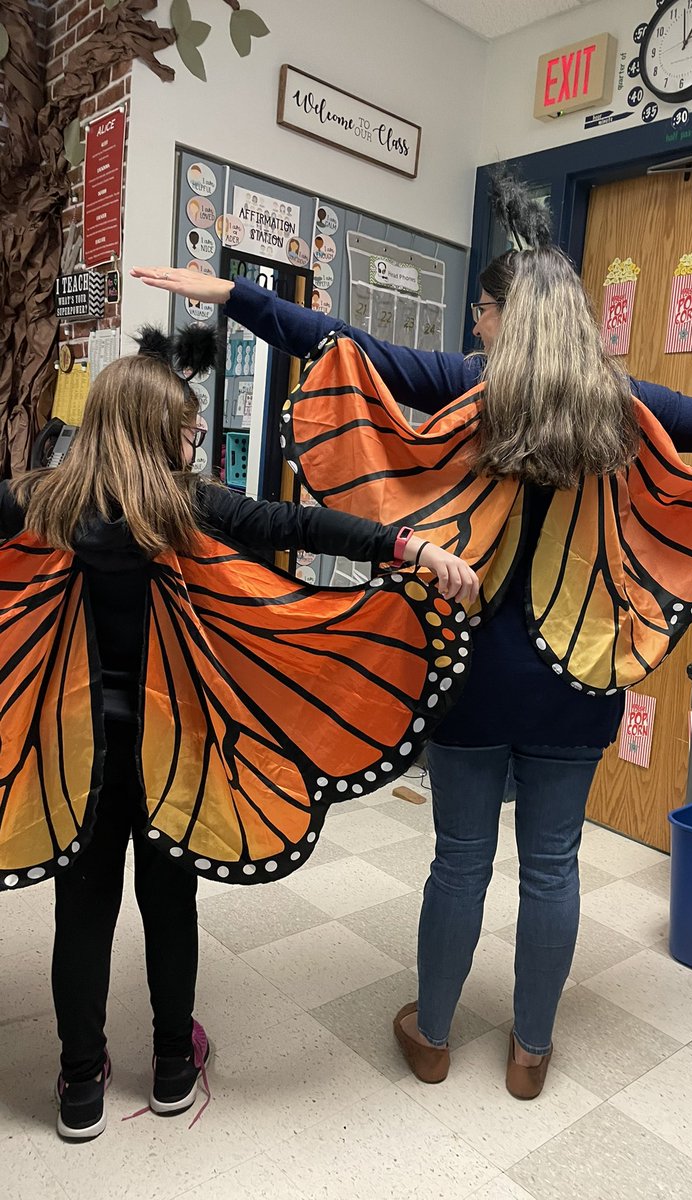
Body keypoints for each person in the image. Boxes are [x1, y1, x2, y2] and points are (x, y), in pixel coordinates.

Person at [132, 254, 692, 1102]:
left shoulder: (470, 389)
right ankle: (530, 1053)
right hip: (584, 673)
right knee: (554, 865)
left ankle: (431, 1035)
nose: (474, 326)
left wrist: (236, 295)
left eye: (483, 310)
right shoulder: (625, 407)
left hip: (470, 675)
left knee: (459, 861)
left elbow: (344, 345)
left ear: (510, 317)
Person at [0, 327, 477, 1142]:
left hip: (68, 750)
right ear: (155, 431)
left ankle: (79, 1086)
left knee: (81, 913)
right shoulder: (191, 509)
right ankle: (175, 1071)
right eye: (188, 431)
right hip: (175, 747)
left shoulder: (39, 502)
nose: (195, 444)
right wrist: (410, 546)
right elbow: (299, 526)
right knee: (169, 899)